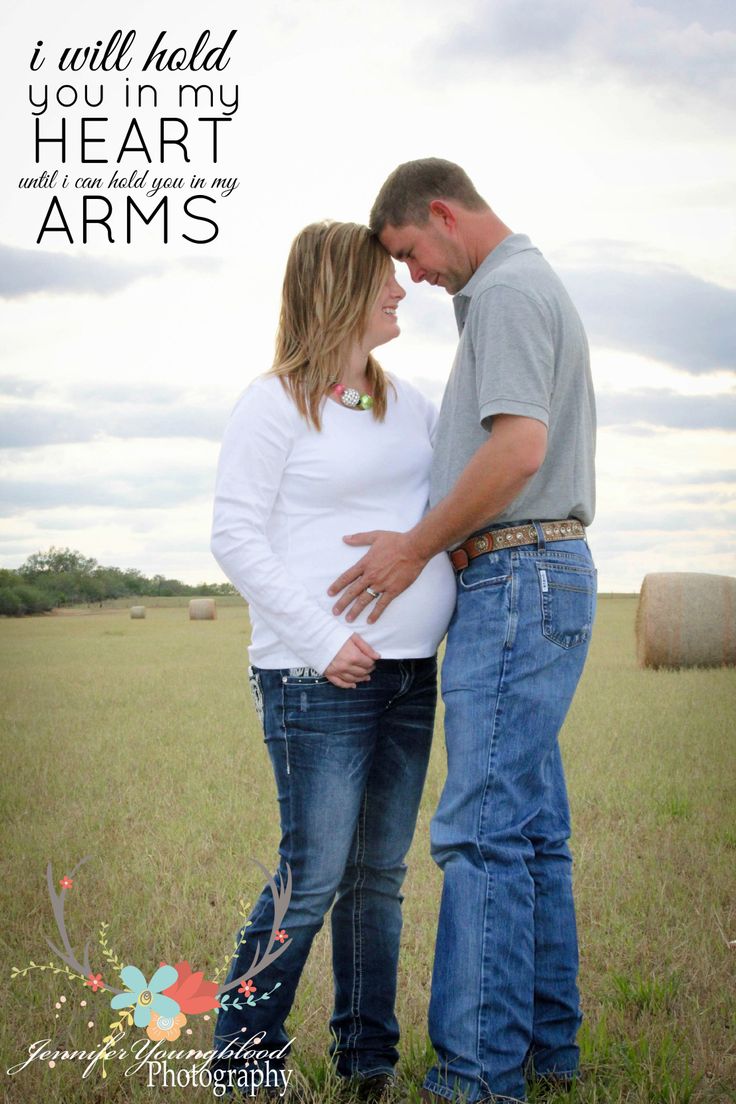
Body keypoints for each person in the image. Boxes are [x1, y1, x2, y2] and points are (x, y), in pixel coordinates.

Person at [329, 160, 597, 1103]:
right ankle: (546, 1053)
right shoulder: (513, 288)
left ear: (443, 214)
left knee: (480, 835)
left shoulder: (509, 293)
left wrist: (414, 549)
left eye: (411, 252)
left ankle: (476, 1078)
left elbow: (518, 450)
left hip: (517, 575)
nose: (414, 276)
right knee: (530, 832)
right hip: (537, 575)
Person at [210, 220, 456, 1098]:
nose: (399, 289)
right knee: (311, 877)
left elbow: (444, 508)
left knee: (378, 879)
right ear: (338, 290)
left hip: (409, 673)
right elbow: (234, 536)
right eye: (382, 277)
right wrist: (323, 642)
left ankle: (367, 1060)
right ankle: (242, 1060)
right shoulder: (274, 402)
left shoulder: (410, 403)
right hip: (314, 678)